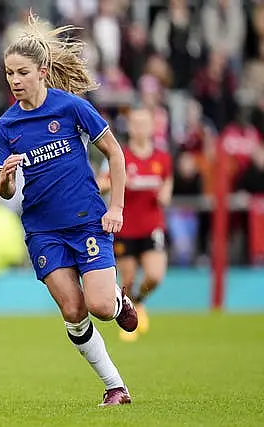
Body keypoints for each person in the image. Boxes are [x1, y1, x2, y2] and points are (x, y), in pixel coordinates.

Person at [0, 15, 138, 407]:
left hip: (87, 220)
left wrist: (117, 207)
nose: (14, 80)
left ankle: (120, 299)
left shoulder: (71, 107)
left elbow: (114, 152)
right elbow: (6, 192)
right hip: (42, 229)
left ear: (42, 72)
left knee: (102, 307)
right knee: (73, 310)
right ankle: (115, 386)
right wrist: (7, 178)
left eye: (22, 72)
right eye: (9, 73)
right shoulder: (6, 126)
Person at [99, 108, 173, 342]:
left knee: (155, 275)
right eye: (136, 123)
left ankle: (139, 301)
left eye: (144, 123)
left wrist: (166, 193)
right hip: (125, 228)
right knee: (128, 279)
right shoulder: (119, 156)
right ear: (129, 127)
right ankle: (129, 318)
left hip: (152, 226)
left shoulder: (162, 158)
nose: (140, 128)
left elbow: (167, 181)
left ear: (152, 127)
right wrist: (118, 182)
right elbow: (100, 184)